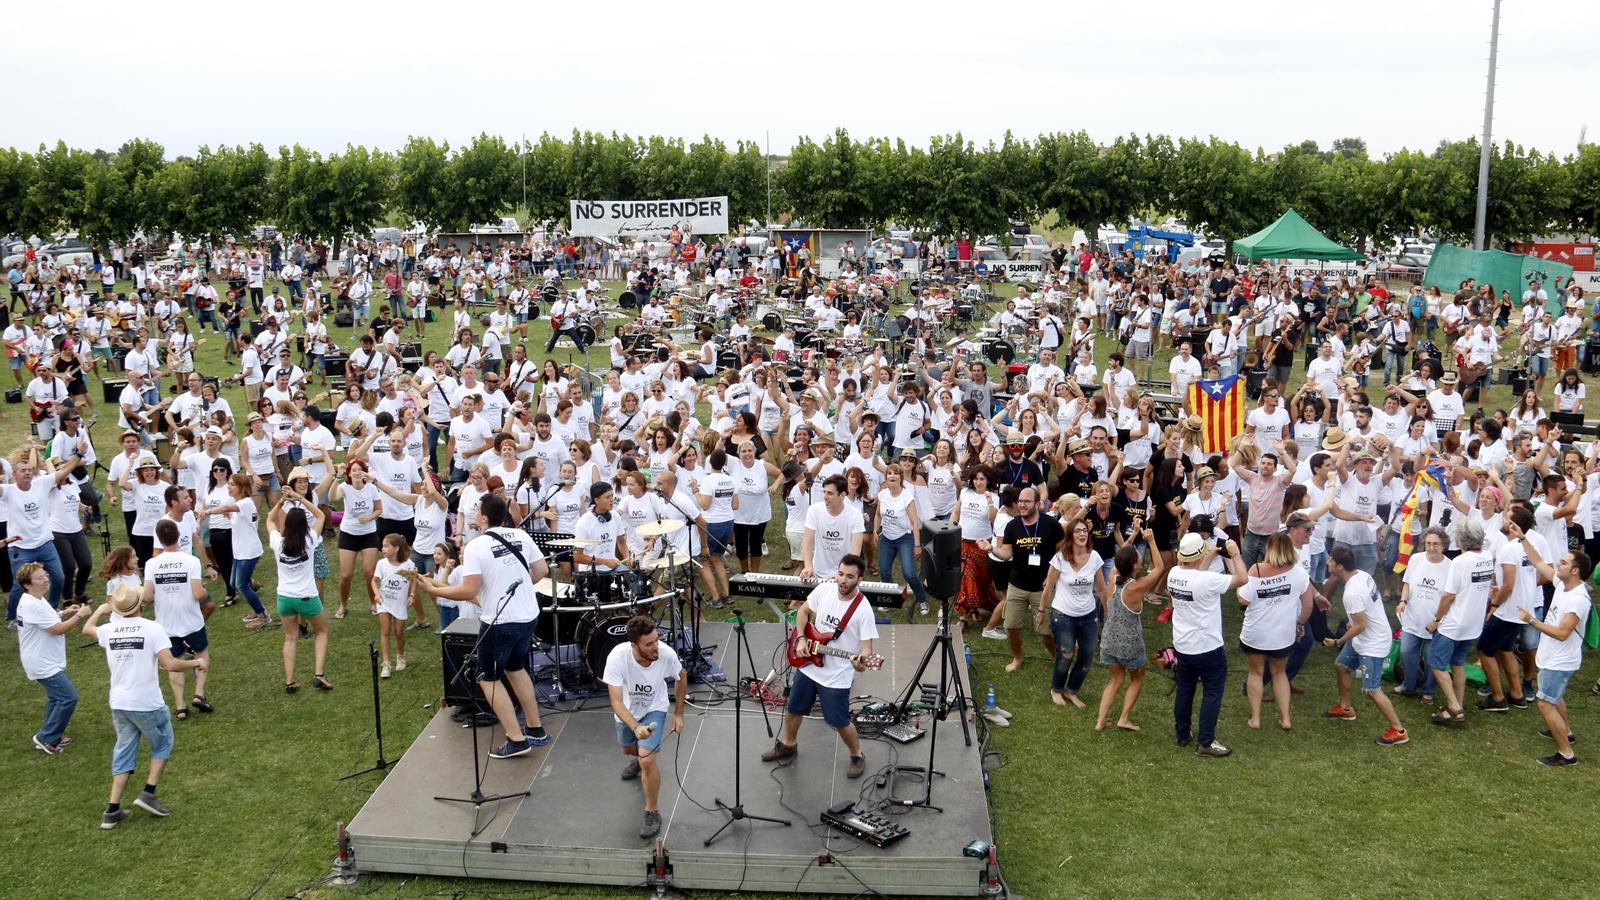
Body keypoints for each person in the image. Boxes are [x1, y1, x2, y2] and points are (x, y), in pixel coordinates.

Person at [414, 494, 553, 758]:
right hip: (528, 615)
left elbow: (469, 590)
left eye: (477, 510)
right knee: (516, 668)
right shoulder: (521, 536)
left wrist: (434, 589)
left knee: (486, 678)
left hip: (499, 621)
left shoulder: (477, 546)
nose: (474, 513)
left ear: (485, 517)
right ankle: (535, 728)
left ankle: (515, 738)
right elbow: (541, 571)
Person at [83, 583, 208, 829]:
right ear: (141, 604)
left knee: (124, 751)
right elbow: (170, 664)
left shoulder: (109, 630)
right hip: (146, 702)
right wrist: (196, 663)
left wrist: (100, 610)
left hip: (119, 703)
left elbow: (87, 629)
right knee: (163, 743)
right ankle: (148, 793)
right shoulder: (152, 629)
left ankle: (112, 810)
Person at [759, 554, 877, 780]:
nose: (843, 580)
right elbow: (803, 612)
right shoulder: (825, 589)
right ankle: (788, 745)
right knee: (794, 709)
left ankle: (857, 754)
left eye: (849, 577)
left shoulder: (863, 610)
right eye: (840, 574)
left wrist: (860, 665)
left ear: (859, 579)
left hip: (836, 675)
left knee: (840, 722)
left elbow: (867, 652)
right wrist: (802, 638)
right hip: (809, 666)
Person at [603, 613, 686, 840]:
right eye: (648, 644)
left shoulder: (666, 654)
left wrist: (678, 714)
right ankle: (637, 758)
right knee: (629, 750)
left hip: (655, 707)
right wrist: (635, 726)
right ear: (634, 645)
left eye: (656, 640)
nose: (655, 647)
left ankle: (652, 811)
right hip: (628, 713)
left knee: (648, 759)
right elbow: (616, 702)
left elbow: (681, 676)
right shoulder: (617, 658)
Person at [1511, 529, 1589, 767]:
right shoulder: (1562, 583)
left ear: (1574, 571)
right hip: (1552, 657)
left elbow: (1563, 633)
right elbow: (1537, 562)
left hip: (1560, 660)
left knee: (1545, 703)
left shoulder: (1578, 599)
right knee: (1554, 698)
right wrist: (1523, 539)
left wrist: (1532, 621)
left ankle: (1566, 753)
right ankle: (1566, 731)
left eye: (1563, 562)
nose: (1558, 564)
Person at [1167, 531, 1247, 757]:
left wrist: (1207, 557)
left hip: (1183, 645)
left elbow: (1194, 577)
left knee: (1185, 689)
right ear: (1200, 554)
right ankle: (1206, 741)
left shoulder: (1173, 573)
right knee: (1212, 692)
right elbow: (1242, 578)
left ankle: (1182, 733)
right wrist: (1235, 554)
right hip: (1208, 647)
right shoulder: (1209, 580)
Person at [1322, 546, 1409, 746]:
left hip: (1373, 643)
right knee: (1342, 666)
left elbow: (1361, 625)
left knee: (1372, 689)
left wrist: (1338, 641)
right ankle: (1346, 709)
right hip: (1366, 637)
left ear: (1340, 566)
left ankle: (1399, 730)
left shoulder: (1352, 592)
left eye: (1331, 561)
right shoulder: (1361, 575)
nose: (1328, 563)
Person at [1237, 532, 1311, 732]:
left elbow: (1243, 599)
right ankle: (1285, 719)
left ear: (1270, 549)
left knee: (1256, 673)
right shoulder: (1299, 573)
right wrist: (1299, 625)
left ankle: (1256, 718)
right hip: (1283, 634)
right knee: (1280, 674)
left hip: (1256, 633)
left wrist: (1240, 588)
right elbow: (1307, 607)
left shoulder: (1257, 570)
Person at [1426, 516, 1495, 725]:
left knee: (1436, 663)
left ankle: (1454, 706)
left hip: (1454, 624)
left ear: (1461, 540)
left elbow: (1448, 596)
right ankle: (1457, 706)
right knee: (1458, 663)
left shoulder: (1460, 562)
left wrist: (1436, 619)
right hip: (1474, 624)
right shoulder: (1487, 556)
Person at [1094, 533, 1164, 732]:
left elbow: (1120, 559)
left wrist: (1133, 536)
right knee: (1137, 679)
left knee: (1115, 680)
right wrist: (1151, 541)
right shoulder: (1136, 587)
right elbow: (1159, 568)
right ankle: (1123, 718)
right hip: (1130, 645)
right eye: (1139, 561)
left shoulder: (1112, 577)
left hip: (1109, 641)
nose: (1141, 563)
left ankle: (1100, 721)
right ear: (1134, 567)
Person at [16, 562, 88, 754]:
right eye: (40, 578)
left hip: (43, 659)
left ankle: (53, 733)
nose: (46, 579)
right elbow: (56, 629)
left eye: (45, 575)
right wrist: (79, 615)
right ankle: (46, 737)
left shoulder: (34, 599)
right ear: (27, 584)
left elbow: (49, 618)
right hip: (41, 663)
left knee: (56, 698)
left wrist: (65, 612)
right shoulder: (33, 604)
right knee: (68, 698)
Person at [991, 486, 1065, 673]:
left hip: (1043, 588)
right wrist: (991, 549)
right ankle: (1017, 658)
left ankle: (1056, 657)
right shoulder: (1013, 526)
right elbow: (1007, 553)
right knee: (1011, 627)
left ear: (1038, 504)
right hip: (1017, 585)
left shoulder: (1051, 525)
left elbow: (1062, 550)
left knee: (1046, 632)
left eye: (1026, 501)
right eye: (1020, 501)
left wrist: (1054, 576)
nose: (1022, 505)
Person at [144, 519, 211, 721]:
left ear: (160, 539)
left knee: (174, 661)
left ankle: (180, 706)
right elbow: (198, 593)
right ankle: (199, 693)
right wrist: (205, 592)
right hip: (191, 619)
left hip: (166, 622)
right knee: (202, 653)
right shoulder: (190, 561)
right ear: (178, 536)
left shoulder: (151, 564)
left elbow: (147, 596)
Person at [267, 488, 332, 693]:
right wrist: (300, 499)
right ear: (305, 525)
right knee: (321, 631)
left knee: (290, 637)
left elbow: (269, 520)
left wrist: (281, 502)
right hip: (307, 596)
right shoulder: (310, 540)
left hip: (284, 598)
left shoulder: (278, 542)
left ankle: (289, 681)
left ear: (286, 525)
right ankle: (319, 674)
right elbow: (321, 515)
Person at [1040, 516, 1107, 708]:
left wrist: (1108, 614)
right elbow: (1049, 586)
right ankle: (1056, 689)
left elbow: (1102, 589)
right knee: (1066, 653)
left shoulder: (1094, 557)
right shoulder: (1060, 558)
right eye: (1077, 531)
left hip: (1088, 616)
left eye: (1084, 530)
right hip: (1063, 615)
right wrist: (1041, 610)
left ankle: (1072, 691)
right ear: (1070, 535)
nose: (1082, 534)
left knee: (1087, 656)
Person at [4, 446, 75, 624]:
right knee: (20, 585)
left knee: (59, 577)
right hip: (21, 547)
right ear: (15, 474)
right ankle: (12, 617)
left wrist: (79, 454)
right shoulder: (8, 491)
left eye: (29, 470)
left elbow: (64, 471)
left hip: (44, 543)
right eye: (23, 470)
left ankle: (51, 608)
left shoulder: (41, 483)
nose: (27, 473)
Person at [800, 475, 865, 581]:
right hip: (817, 572)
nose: (825, 496)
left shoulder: (855, 515)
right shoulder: (814, 510)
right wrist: (808, 566)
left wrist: (840, 573)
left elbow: (855, 553)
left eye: (830, 493)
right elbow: (807, 542)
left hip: (844, 575)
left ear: (842, 495)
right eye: (824, 492)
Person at [371, 533, 417, 678]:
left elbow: (414, 580)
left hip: (399, 603)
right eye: (382, 546)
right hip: (384, 602)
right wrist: (377, 594)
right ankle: (386, 664)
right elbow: (374, 581)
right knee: (385, 631)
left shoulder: (408, 565)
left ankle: (400, 656)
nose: (382, 549)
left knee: (399, 633)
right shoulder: (381, 564)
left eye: (386, 546)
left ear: (396, 548)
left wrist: (412, 595)